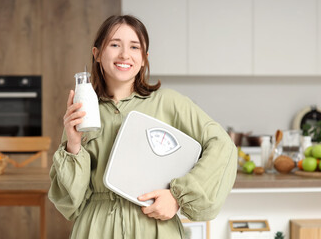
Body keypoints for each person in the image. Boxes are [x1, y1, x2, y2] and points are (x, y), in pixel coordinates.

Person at [48, 15, 237, 239]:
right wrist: (73, 144)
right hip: (97, 228)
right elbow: (70, 203)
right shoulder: (83, 110)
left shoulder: (169, 102)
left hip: (155, 226)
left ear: (144, 58)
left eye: (134, 47)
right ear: (97, 54)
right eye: (115, 44)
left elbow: (223, 146)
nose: (124, 54)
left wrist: (177, 197)